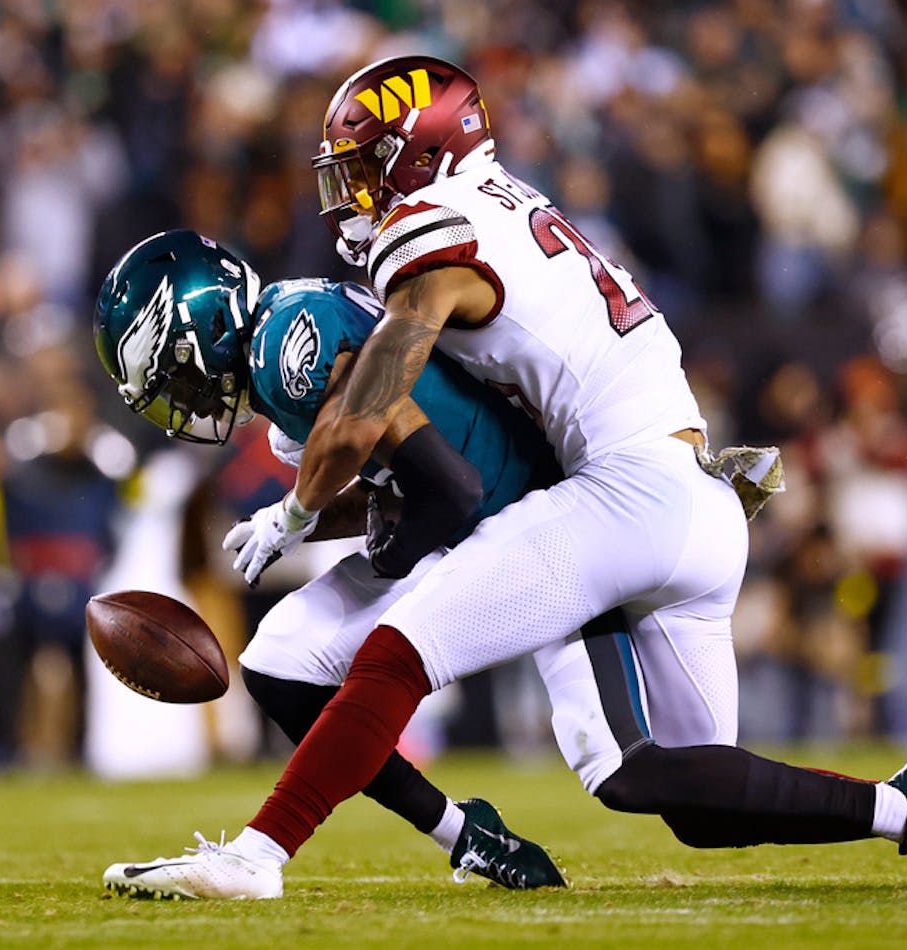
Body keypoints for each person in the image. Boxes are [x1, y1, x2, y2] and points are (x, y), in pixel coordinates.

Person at [164, 57, 907, 898]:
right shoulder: (506, 203)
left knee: (399, 652)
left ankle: (259, 855)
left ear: (419, 155)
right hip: (696, 499)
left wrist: (295, 509)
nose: (351, 195)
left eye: (363, 168)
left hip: (621, 492)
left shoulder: (431, 228)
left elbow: (368, 409)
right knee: (681, 793)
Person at [91, 229, 568, 893]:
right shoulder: (282, 348)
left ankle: (255, 858)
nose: (182, 398)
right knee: (280, 664)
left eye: (175, 374)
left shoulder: (287, 339)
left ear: (200, 330)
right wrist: (304, 519)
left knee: (639, 770)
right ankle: (468, 836)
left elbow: (448, 486)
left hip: (508, 519)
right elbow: (402, 473)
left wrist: (308, 516)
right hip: (470, 513)